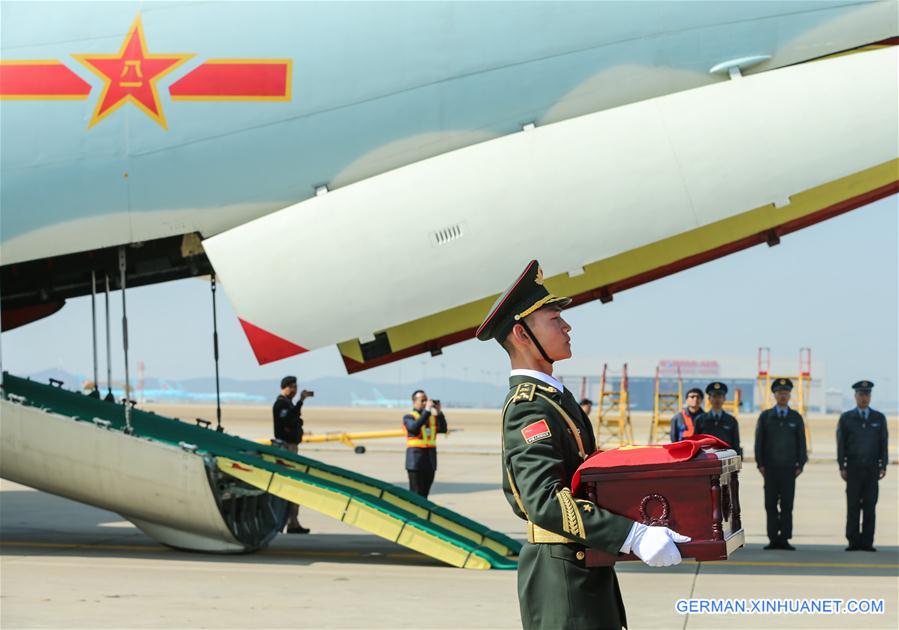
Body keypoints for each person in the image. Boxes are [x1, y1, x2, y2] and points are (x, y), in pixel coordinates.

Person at [477, 260, 689, 630]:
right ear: (522, 334)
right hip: (561, 576)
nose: (566, 325)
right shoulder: (529, 408)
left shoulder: (553, 398)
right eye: (553, 318)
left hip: (579, 561)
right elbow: (543, 500)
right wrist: (630, 534)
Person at [754, 378, 807, 550]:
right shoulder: (766, 417)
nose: (783, 396)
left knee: (786, 505)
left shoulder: (795, 417)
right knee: (770, 504)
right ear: (774, 395)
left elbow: (802, 443)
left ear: (790, 395)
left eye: (786, 393)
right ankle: (772, 538)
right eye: (779, 393)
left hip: (789, 469)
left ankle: (784, 538)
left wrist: (801, 464)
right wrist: (760, 464)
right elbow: (759, 443)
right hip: (770, 469)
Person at [837, 380, 888, 552]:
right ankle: (853, 541)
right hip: (853, 468)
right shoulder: (846, 418)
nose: (864, 397)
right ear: (855, 396)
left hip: (872, 469)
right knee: (852, 506)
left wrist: (884, 465)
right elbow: (841, 443)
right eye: (861, 394)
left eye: (867, 394)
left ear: (870, 396)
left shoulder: (879, 418)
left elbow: (883, 443)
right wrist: (841, 465)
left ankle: (867, 542)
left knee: (869, 506)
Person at [273, 375, 313, 534]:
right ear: (284, 387)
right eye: (292, 387)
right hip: (286, 448)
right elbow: (288, 418)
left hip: (292, 446)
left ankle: (293, 522)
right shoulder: (281, 404)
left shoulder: (287, 404)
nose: (294, 390)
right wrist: (301, 402)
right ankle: (288, 522)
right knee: (289, 484)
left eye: (296, 387)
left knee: (294, 484)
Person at [403, 389, 447, 498]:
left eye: (426, 400)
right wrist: (427, 411)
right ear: (414, 402)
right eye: (422, 400)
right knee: (415, 494)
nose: (425, 403)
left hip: (430, 460)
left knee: (425, 494)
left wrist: (439, 412)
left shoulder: (431, 418)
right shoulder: (409, 417)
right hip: (415, 461)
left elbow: (443, 429)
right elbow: (414, 428)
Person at [695, 382, 742, 456]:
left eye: (720, 396)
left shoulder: (731, 420)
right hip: (706, 458)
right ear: (709, 399)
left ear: (724, 399)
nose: (717, 399)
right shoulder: (700, 420)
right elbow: (696, 443)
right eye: (714, 396)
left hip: (726, 458)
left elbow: (736, 443)